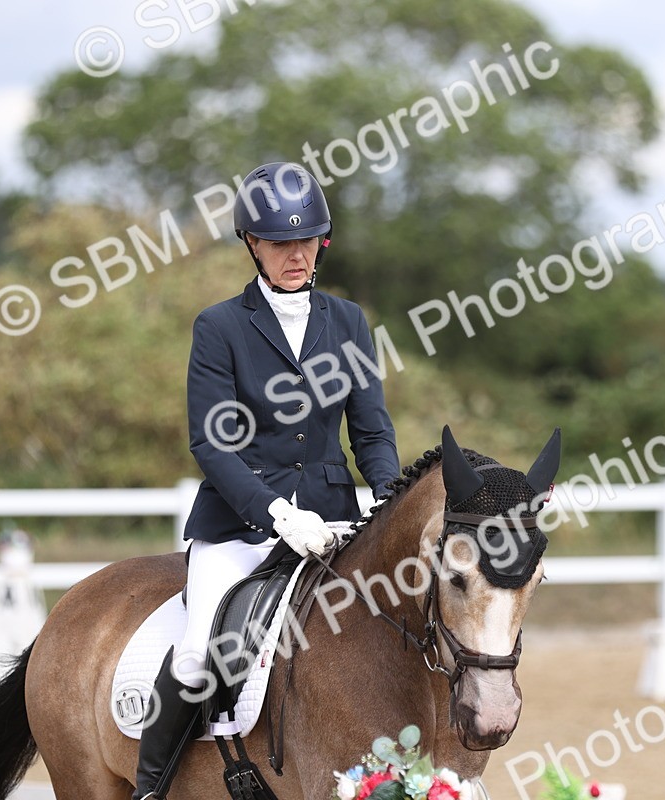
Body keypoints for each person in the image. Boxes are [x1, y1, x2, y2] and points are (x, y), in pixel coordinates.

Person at [132, 161, 401, 800]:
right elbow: (212, 444)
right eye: (281, 243)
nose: (296, 254)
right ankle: (149, 789)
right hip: (240, 526)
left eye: (306, 241)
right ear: (252, 244)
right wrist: (276, 513)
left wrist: (388, 497)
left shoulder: (348, 322)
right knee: (200, 651)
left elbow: (372, 431)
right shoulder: (220, 327)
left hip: (334, 523)